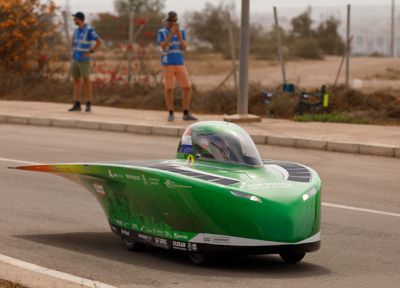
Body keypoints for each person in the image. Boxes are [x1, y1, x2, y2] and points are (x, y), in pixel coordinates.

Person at [157, 11, 197, 121]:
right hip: (168, 63)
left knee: (187, 87)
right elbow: (163, 46)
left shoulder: (181, 32)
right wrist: (171, 34)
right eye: (171, 20)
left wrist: (179, 36)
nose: (173, 22)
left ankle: (186, 112)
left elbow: (184, 47)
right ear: (167, 21)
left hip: (180, 62)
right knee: (169, 88)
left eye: (175, 20)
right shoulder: (162, 32)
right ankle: (170, 112)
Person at [68, 12, 102, 112]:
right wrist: (73, 50)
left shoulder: (89, 30)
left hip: (84, 60)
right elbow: (74, 41)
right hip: (75, 58)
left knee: (86, 81)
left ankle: (88, 103)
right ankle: (77, 104)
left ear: (80, 19)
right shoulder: (76, 30)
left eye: (75, 19)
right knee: (76, 81)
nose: (74, 21)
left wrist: (91, 51)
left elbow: (99, 41)